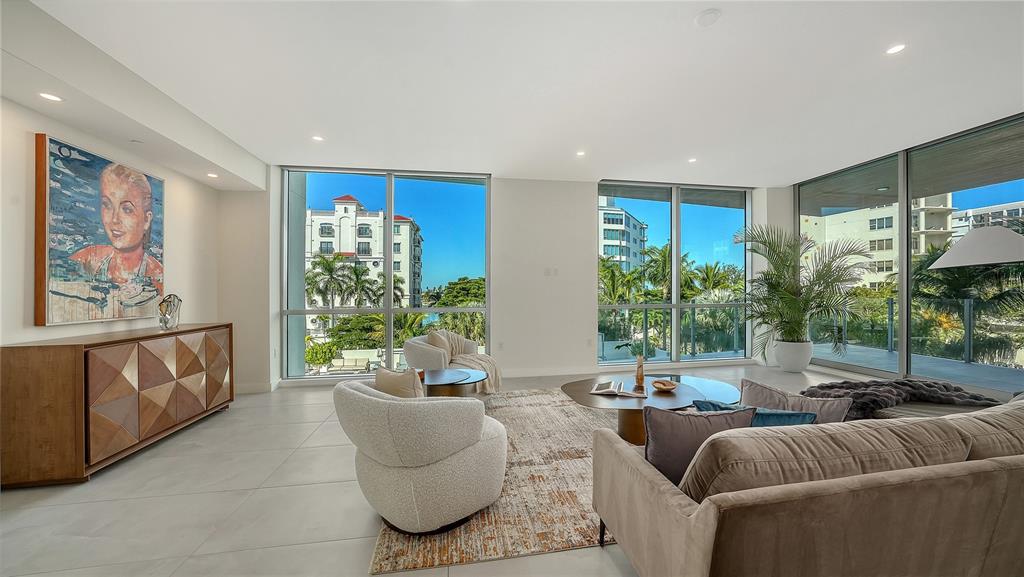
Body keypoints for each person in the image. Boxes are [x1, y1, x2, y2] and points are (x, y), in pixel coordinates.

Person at [71, 163, 164, 295]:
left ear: (146, 220)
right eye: (107, 205)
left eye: (127, 209)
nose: (114, 219)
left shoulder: (157, 278)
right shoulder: (87, 258)